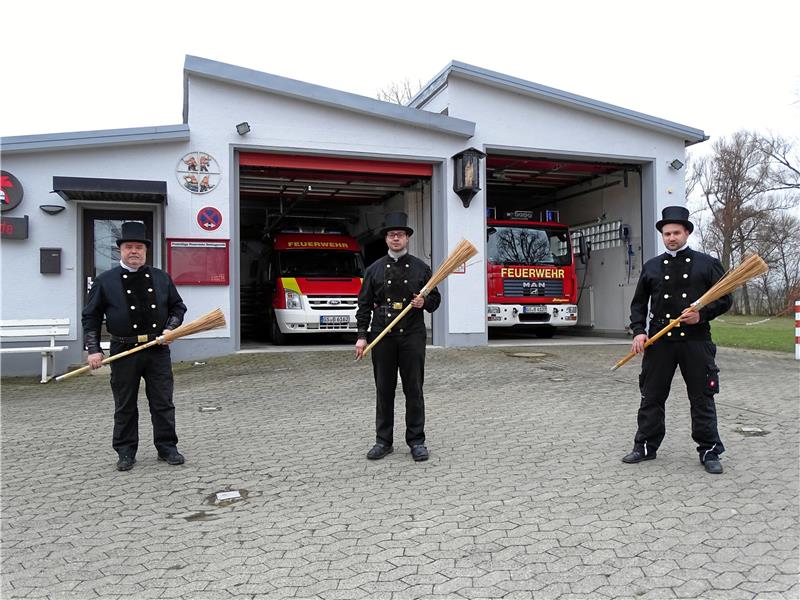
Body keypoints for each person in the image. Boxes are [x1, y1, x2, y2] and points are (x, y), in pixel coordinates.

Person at [622, 206, 732, 474]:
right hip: (660, 342)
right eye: (666, 233)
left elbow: (726, 298)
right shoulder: (652, 267)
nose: (671, 237)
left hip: (696, 342)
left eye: (676, 233)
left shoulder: (708, 264)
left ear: (687, 233)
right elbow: (639, 304)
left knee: (702, 397)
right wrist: (639, 331)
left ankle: (709, 450)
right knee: (652, 396)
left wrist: (702, 315)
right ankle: (645, 446)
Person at [82, 222, 188, 471]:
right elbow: (91, 317)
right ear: (121, 250)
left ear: (145, 251)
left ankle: (167, 447)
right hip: (123, 351)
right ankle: (126, 451)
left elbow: (177, 307)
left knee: (163, 401)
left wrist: (170, 329)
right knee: (125, 403)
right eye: (129, 247)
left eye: (139, 247)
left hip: (157, 349)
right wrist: (93, 349)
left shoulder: (161, 277)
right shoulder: (105, 281)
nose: (134, 251)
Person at [355, 212, 441, 462]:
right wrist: (362, 337)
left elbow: (436, 300)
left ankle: (416, 441)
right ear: (386, 239)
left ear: (407, 238)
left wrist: (424, 301)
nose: (396, 238)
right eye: (392, 235)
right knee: (384, 389)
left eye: (400, 234)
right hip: (382, 335)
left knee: (414, 389)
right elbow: (363, 304)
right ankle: (383, 441)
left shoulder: (421, 268)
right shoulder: (374, 270)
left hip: (412, 335)